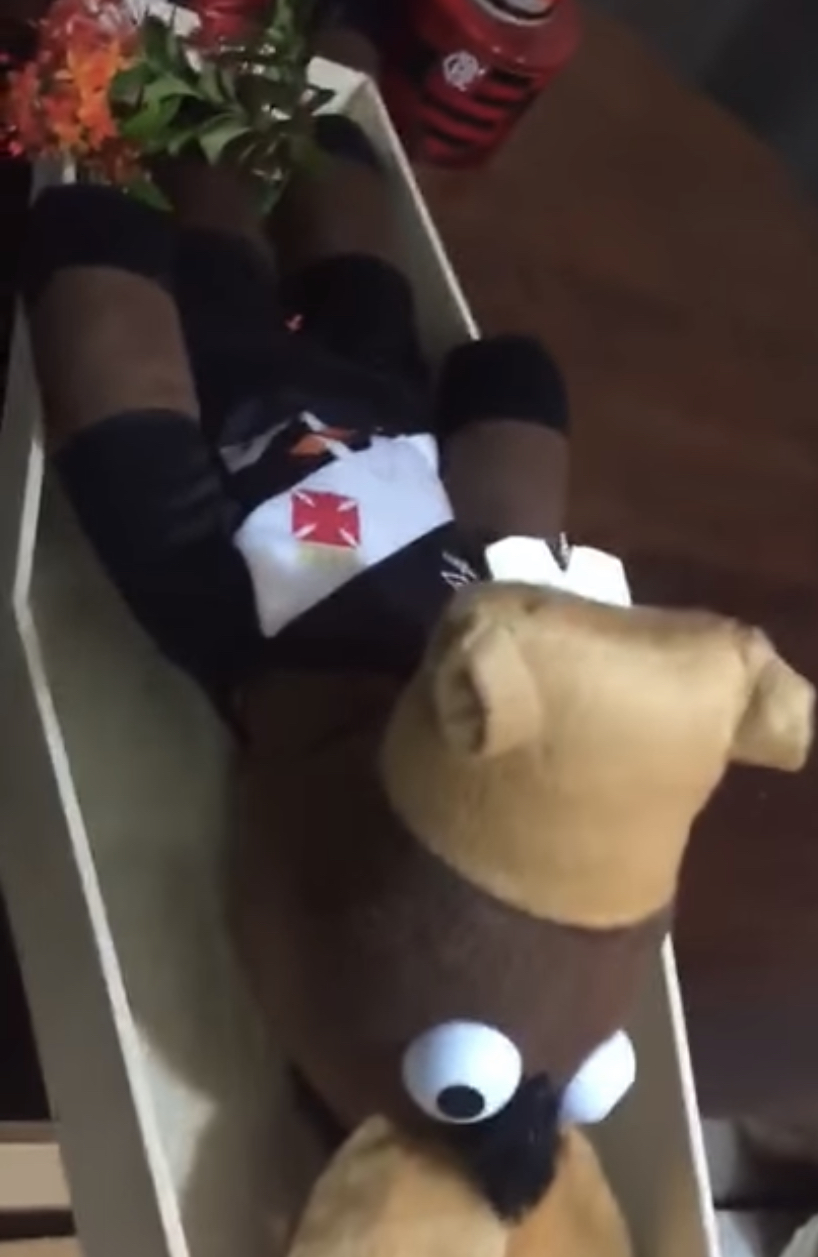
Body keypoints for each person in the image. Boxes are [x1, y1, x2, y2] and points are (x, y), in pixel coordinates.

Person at [22, 36, 570, 732]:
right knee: (354, 239)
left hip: (236, 383)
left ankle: (200, 97)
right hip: (381, 394)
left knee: (217, 236)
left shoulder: (243, 634)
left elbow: (154, 487)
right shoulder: (491, 648)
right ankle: (287, 93)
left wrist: (96, 262)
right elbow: (509, 397)